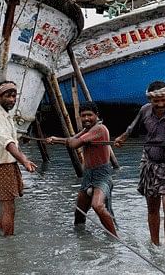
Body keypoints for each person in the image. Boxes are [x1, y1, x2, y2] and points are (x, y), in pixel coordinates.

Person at [113, 81, 165, 246]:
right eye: (155, 101)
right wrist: (123, 137)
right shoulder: (145, 110)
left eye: (163, 100)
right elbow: (132, 128)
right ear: (149, 100)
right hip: (149, 162)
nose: (160, 104)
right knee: (152, 207)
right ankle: (154, 244)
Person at [47, 101, 117, 236]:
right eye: (83, 116)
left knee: (98, 206)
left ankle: (115, 238)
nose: (86, 119)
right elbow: (72, 139)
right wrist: (55, 139)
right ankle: (81, 240)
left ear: (96, 115)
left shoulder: (99, 129)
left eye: (89, 115)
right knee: (79, 213)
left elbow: (74, 144)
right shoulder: (87, 130)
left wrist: (62, 140)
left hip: (102, 176)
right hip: (88, 176)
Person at [0, 80, 37, 237]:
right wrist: (24, 160)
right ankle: (8, 242)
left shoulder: (5, 116)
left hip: (8, 164)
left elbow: (12, 141)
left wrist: (22, 159)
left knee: (8, 204)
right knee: (9, 207)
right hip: (1, 166)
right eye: (8, 96)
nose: (12, 99)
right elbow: (8, 143)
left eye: (14, 96)